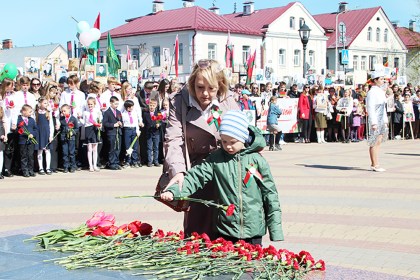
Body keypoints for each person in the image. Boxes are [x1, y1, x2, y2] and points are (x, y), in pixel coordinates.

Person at [161, 110, 284, 245]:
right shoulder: (216, 159)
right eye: (224, 141)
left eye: (233, 142)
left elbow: (270, 194)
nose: (228, 146)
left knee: (251, 265)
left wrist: (275, 229)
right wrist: (174, 191)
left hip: (253, 229)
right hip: (226, 228)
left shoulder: (257, 160)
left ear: (243, 138)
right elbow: (195, 177)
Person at [164, 59, 239, 240]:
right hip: (196, 171)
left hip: (225, 169)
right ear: (192, 84)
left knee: (226, 224)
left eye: (211, 88)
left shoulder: (227, 99)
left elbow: (242, 132)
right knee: (198, 228)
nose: (205, 94)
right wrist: (178, 171)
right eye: (200, 87)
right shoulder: (180, 101)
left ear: (219, 85)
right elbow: (173, 139)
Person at [366, 71, 388, 172]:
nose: (383, 81)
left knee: (379, 141)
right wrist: (374, 122)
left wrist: (385, 120)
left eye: (383, 79)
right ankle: (374, 164)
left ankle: (375, 162)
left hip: (381, 117)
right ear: (375, 80)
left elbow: (383, 107)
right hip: (375, 118)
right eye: (381, 79)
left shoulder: (380, 91)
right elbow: (370, 107)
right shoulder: (372, 92)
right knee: (374, 141)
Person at [81, 97, 102, 172]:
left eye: (91, 104)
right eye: (89, 104)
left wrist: (99, 124)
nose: (90, 106)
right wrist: (79, 118)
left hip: (95, 128)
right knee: (89, 149)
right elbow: (83, 122)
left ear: (94, 104)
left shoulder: (97, 111)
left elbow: (100, 120)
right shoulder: (85, 112)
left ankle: (95, 165)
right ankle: (90, 165)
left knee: (95, 149)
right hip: (88, 129)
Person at [17, 105, 38, 177]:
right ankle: (25, 171)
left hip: (31, 141)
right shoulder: (19, 119)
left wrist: (32, 134)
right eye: (29, 111)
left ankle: (30, 170)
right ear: (23, 111)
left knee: (30, 155)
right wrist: (23, 133)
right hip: (23, 140)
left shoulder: (31, 120)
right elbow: (18, 129)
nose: (31, 113)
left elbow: (36, 129)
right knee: (24, 156)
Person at [103, 96, 123, 170]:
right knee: (112, 148)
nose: (116, 106)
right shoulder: (107, 112)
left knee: (118, 148)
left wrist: (121, 123)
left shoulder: (118, 112)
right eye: (115, 104)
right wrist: (113, 125)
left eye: (117, 104)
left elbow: (121, 120)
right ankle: (111, 162)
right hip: (111, 132)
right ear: (111, 103)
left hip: (118, 132)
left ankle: (116, 162)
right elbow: (105, 123)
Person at [35, 98, 54, 175]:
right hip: (39, 133)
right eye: (45, 103)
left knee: (47, 150)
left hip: (46, 133)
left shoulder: (48, 112)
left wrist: (51, 135)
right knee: (40, 151)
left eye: (47, 103)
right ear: (40, 104)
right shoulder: (36, 112)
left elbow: (51, 125)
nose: (46, 105)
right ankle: (41, 168)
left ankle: (48, 167)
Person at [59, 104, 79, 173]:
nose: (63, 112)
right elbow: (60, 128)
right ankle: (65, 166)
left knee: (71, 152)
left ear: (69, 110)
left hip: (71, 138)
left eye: (64, 111)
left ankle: (72, 166)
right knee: (65, 152)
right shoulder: (61, 119)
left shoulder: (73, 119)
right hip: (64, 138)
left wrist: (72, 132)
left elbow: (76, 128)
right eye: (62, 111)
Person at [122, 100, 141, 168]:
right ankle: (128, 161)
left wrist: (137, 130)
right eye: (130, 107)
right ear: (127, 107)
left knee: (135, 146)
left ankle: (134, 161)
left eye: (132, 107)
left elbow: (136, 122)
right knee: (128, 146)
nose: (132, 108)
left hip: (133, 129)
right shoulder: (123, 114)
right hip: (127, 129)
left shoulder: (134, 113)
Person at [142, 99, 160, 167]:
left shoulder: (158, 113)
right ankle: (150, 161)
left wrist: (158, 124)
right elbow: (144, 123)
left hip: (156, 132)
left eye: (153, 105)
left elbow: (159, 122)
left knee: (156, 147)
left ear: (156, 106)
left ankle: (156, 161)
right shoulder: (146, 114)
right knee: (149, 147)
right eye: (150, 105)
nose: (152, 107)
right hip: (148, 133)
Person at [0, 107, 8, 179]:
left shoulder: (2, 121)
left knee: (1, 155)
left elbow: (5, 127)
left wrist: (5, 135)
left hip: (1, 141)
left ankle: (0, 172)